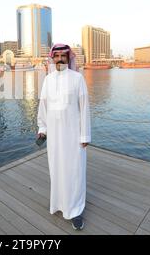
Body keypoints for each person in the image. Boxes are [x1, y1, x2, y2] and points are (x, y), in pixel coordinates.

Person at [37, 43, 91, 230]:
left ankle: (75, 211)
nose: (60, 58)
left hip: (74, 136)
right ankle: (59, 205)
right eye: (57, 55)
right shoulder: (48, 80)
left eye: (63, 55)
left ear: (68, 58)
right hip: (54, 137)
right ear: (52, 58)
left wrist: (85, 135)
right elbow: (43, 106)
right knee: (57, 170)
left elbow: (84, 108)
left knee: (74, 172)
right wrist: (42, 128)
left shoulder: (77, 78)